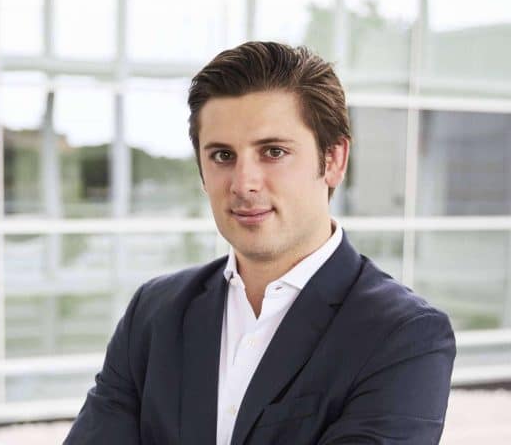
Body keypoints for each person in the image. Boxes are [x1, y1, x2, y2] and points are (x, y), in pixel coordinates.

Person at [64, 41, 456, 445]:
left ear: (334, 160)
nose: (243, 184)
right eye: (222, 156)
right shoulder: (154, 313)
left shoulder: (404, 336)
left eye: (273, 151)